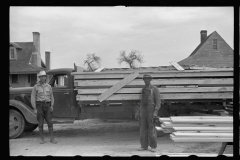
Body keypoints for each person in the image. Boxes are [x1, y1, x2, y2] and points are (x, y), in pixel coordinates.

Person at [135, 74, 161, 152]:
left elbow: (158, 101)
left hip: (151, 110)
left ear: (150, 79)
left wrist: (155, 112)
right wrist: (138, 112)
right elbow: (141, 102)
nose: (146, 80)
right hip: (143, 110)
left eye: (147, 79)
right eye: (144, 79)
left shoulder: (154, 89)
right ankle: (144, 146)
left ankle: (153, 146)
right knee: (143, 129)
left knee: (151, 129)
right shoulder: (143, 89)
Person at [31, 70, 57, 144]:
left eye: (44, 76)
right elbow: (33, 97)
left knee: (50, 122)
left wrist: (52, 105)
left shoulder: (49, 86)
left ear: (45, 77)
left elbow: (52, 96)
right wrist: (35, 108)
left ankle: (52, 138)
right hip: (39, 106)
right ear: (39, 78)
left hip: (48, 105)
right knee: (40, 123)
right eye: (41, 77)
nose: (43, 78)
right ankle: (41, 139)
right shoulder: (35, 87)